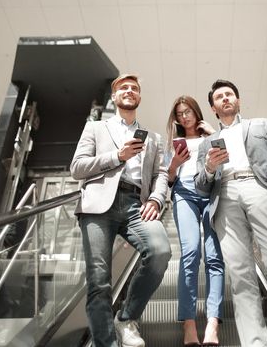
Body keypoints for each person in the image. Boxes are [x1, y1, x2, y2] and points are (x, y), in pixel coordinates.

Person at [195, 79, 267, 347]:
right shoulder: (206, 143)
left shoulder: (262, 124)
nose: (225, 98)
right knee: (240, 274)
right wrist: (208, 168)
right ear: (213, 107)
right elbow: (200, 185)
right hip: (226, 194)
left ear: (238, 100)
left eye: (229, 94)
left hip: (261, 189)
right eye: (219, 97)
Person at [70, 74, 172, 347]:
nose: (129, 91)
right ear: (114, 97)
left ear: (139, 97)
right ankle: (106, 343)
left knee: (161, 250)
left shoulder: (153, 138)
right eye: (123, 88)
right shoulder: (95, 128)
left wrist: (156, 200)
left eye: (135, 88)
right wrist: (118, 156)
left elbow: (162, 174)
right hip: (98, 206)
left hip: (136, 204)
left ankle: (126, 318)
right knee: (99, 279)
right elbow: (77, 167)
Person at [165, 95, 224, 347]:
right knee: (190, 252)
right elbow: (167, 179)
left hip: (211, 192)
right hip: (183, 192)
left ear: (196, 111)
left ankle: (213, 323)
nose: (184, 116)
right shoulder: (171, 143)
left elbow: (226, 161)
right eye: (179, 113)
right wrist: (175, 165)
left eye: (188, 111)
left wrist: (214, 133)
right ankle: (189, 324)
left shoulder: (209, 135)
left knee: (214, 256)